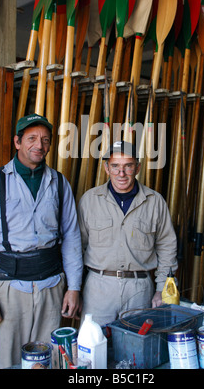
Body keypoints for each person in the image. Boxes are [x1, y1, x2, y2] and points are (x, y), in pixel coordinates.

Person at [0, 113, 83, 368]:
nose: (39, 145)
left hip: (51, 285)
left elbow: (72, 237)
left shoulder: (59, 183)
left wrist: (73, 288)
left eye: (45, 140)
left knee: (50, 359)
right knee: (10, 361)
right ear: (17, 142)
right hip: (10, 289)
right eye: (31, 138)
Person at [77, 140, 178, 327]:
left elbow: (167, 247)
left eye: (128, 166)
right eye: (115, 166)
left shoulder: (155, 202)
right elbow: (76, 248)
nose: (121, 173)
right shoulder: (89, 200)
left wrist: (162, 289)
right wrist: (75, 290)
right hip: (98, 287)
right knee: (94, 349)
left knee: (137, 349)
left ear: (137, 167)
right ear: (106, 168)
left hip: (140, 289)